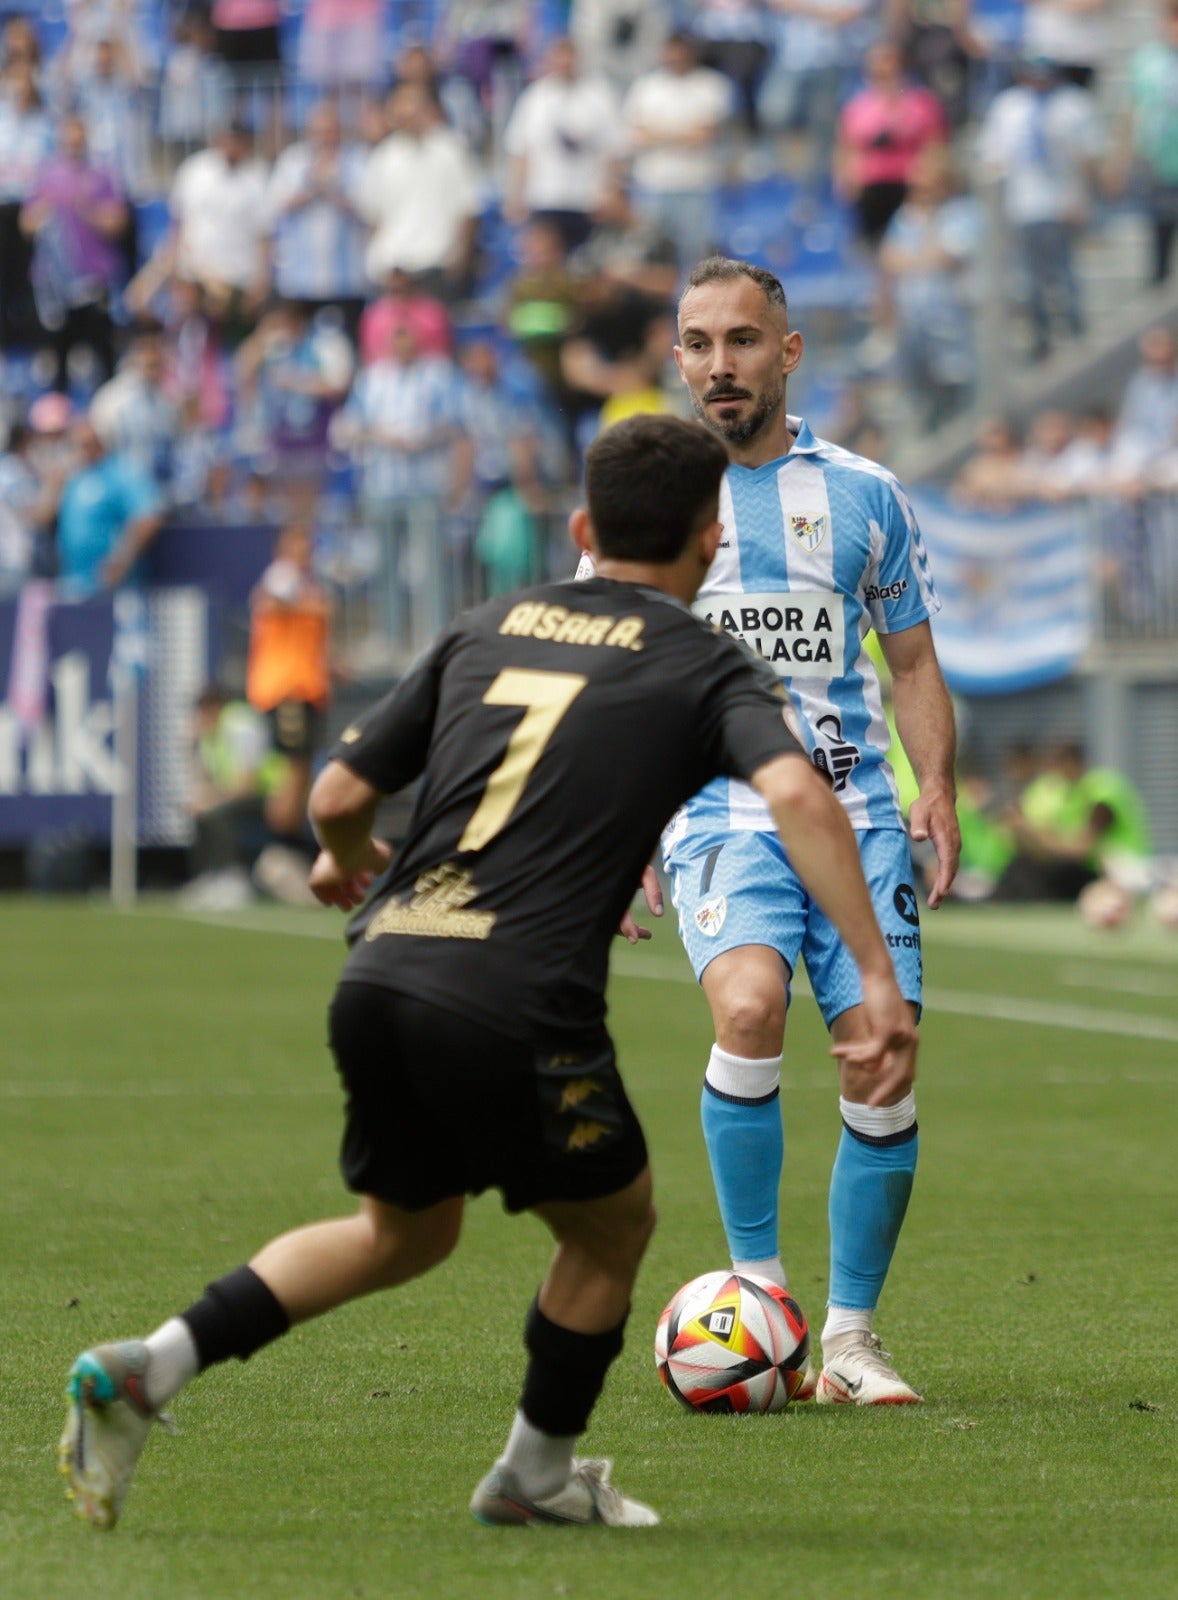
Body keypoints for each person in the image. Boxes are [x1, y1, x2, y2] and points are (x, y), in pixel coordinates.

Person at [59, 412, 918, 1533]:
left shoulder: (488, 623)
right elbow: (800, 795)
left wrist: (340, 862)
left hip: (383, 971)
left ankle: (150, 1366)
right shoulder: (700, 661)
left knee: (403, 1232)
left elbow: (332, 793)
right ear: (710, 543)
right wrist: (873, 972)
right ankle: (534, 1475)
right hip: (513, 993)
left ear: (577, 527)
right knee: (611, 1229)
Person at [581, 257, 959, 1404]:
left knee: (878, 1065)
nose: (717, 364)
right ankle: (761, 1306)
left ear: (786, 354)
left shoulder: (862, 495)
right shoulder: (647, 503)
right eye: (696, 342)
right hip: (716, 812)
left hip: (849, 818)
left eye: (740, 341)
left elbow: (908, 658)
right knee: (745, 1006)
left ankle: (850, 1337)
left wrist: (930, 781)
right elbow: (604, 665)